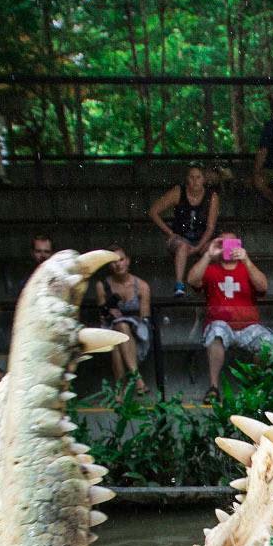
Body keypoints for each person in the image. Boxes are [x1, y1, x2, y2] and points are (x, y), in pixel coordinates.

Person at [188, 233, 273, 393]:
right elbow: (192, 280)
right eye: (223, 243)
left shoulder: (247, 268)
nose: (227, 246)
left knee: (269, 343)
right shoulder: (211, 270)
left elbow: (263, 286)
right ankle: (213, 387)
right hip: (221, 326)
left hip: (249, 327)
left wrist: (246, 260)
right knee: (216, 331)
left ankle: (253, 384)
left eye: (231, 242)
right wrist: (208, 255)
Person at [147, 165, 220, 295]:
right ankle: (179, 285)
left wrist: (198, 247)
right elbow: (153, 212)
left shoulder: (212, 196)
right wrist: (170, 233)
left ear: (204, 179)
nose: (195, 181)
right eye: (191, 177)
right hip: (180, 238)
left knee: (216, 249)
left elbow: (210, 227)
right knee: (182, 246)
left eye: (198, 177)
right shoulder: (178, 192)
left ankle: (208, 284)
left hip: (202, 239)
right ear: (187, 179)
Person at [98, 249, 152, 385]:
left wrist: (125, 321)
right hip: (112, 331)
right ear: (109, 265)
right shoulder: (102, 285)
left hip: (138, 333)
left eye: (121, 260)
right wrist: (109, 312)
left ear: (127, 261)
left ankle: (120, 390)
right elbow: (102, 318)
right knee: (118, 332)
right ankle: (137, 378)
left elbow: (145, 319)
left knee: (120, 331)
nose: (118, 264)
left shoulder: (142, 286)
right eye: (113, 261)